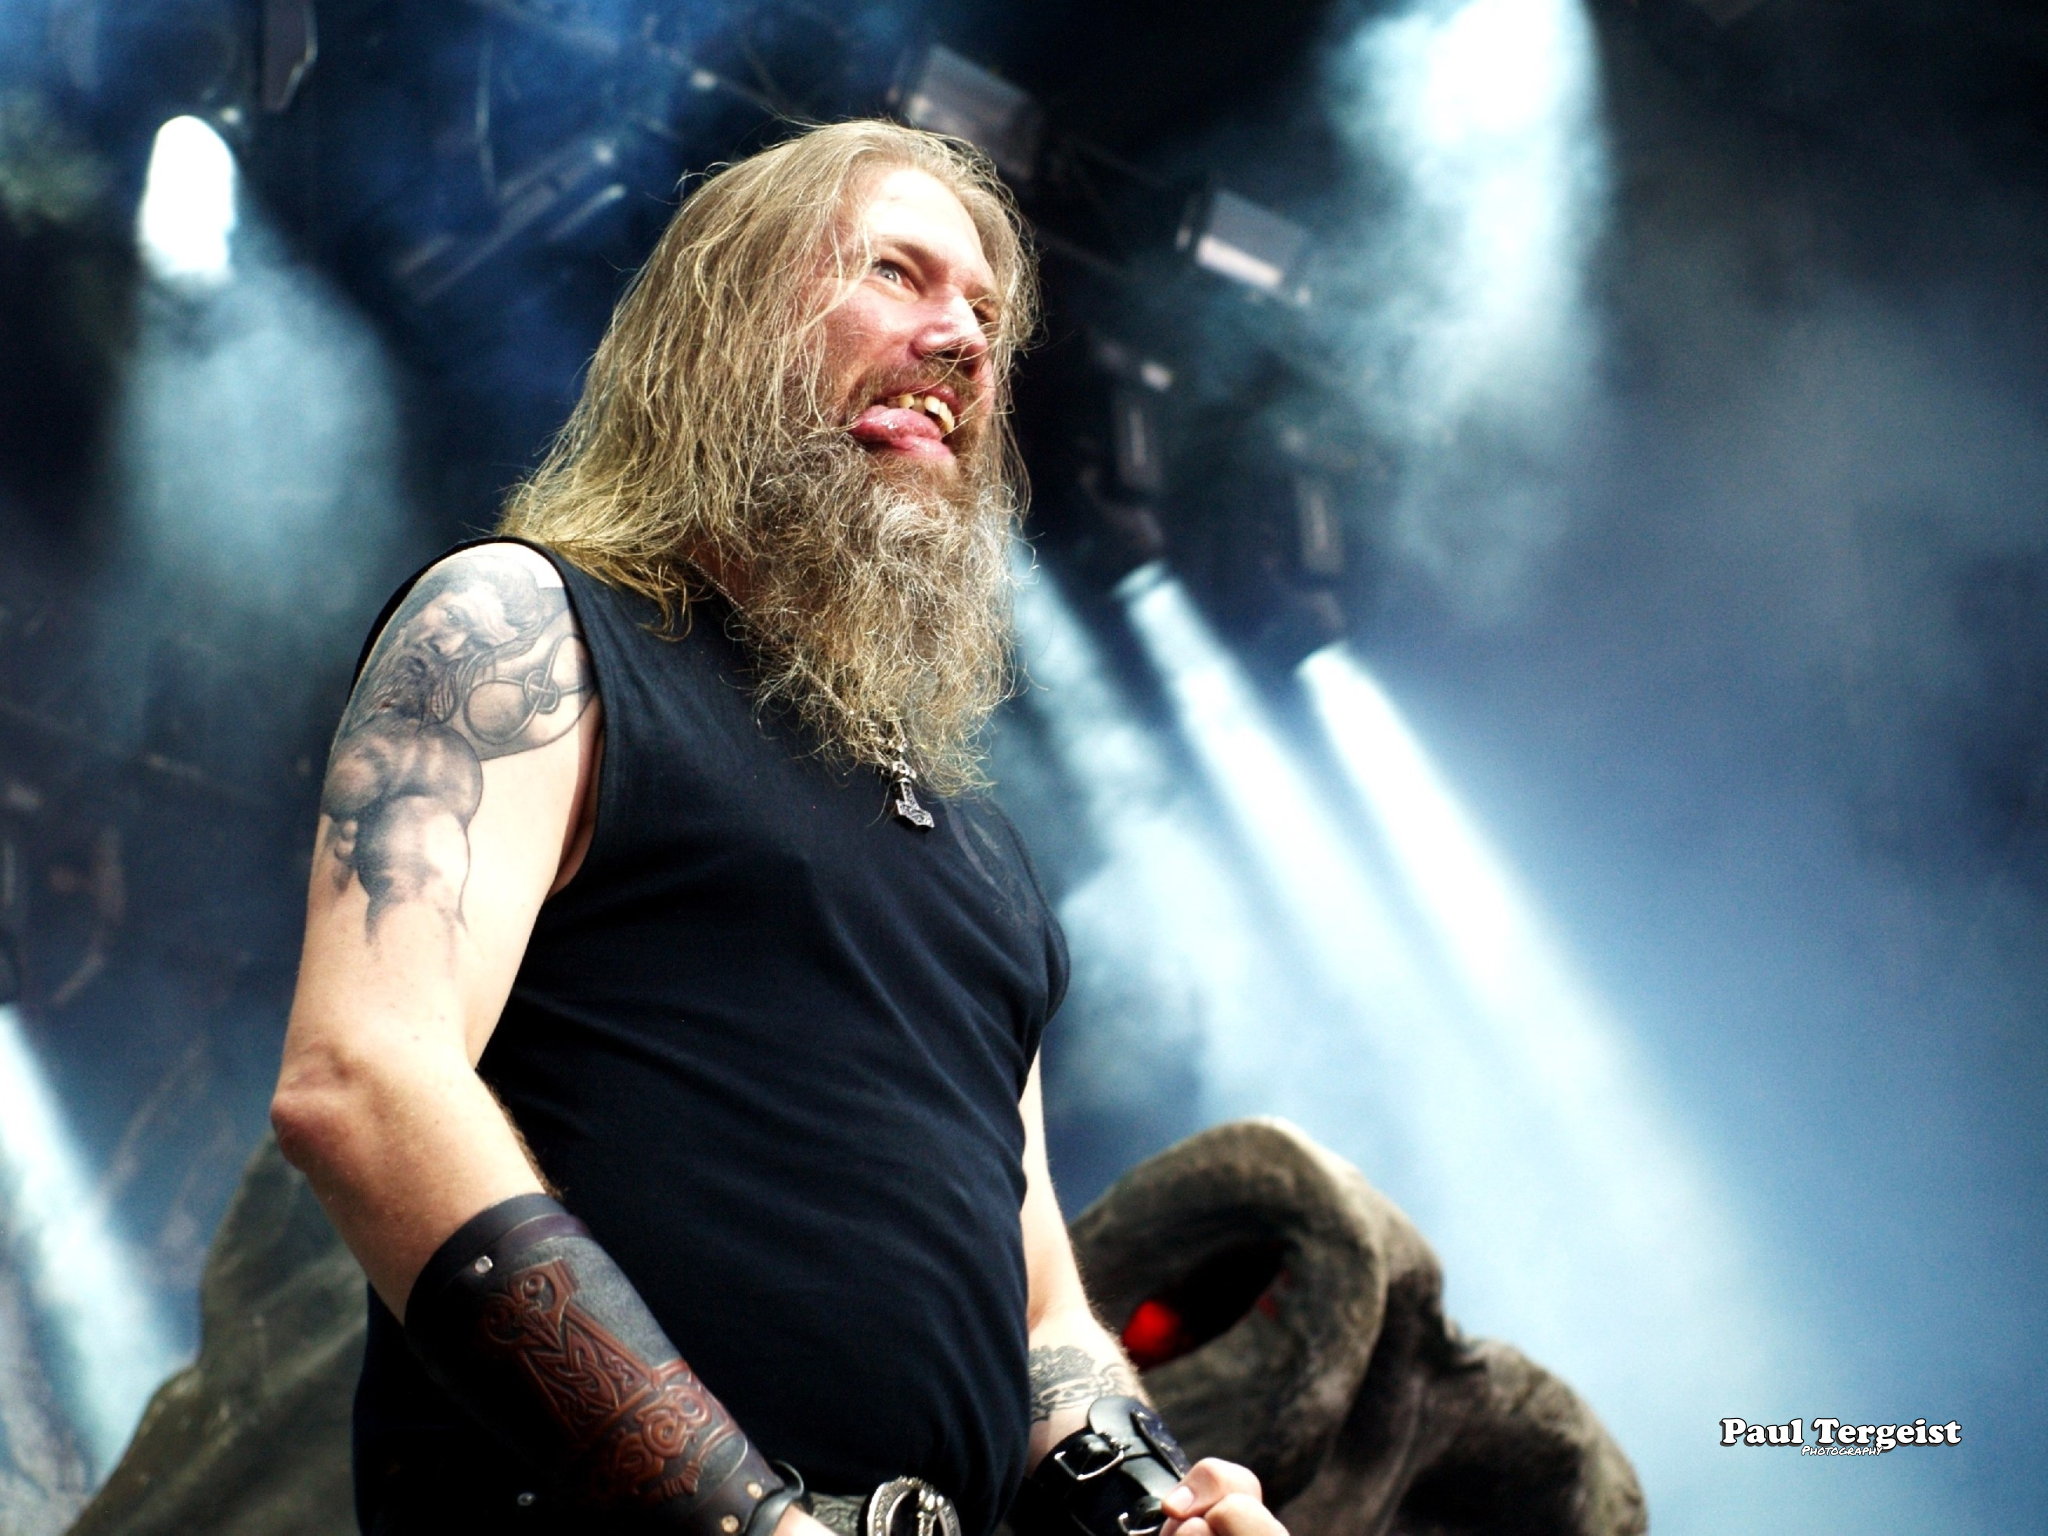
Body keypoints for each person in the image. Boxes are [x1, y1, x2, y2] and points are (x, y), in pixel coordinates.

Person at [270, 119, 1288, 1536]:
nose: (963, 341)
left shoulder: (980, 851)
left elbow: (1039, 1303)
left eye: (986, 314)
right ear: (722, 325)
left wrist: (1155, 1507)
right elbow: (366, 1077)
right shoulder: (526, 626)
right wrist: (750, 1521)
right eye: (897, 272)